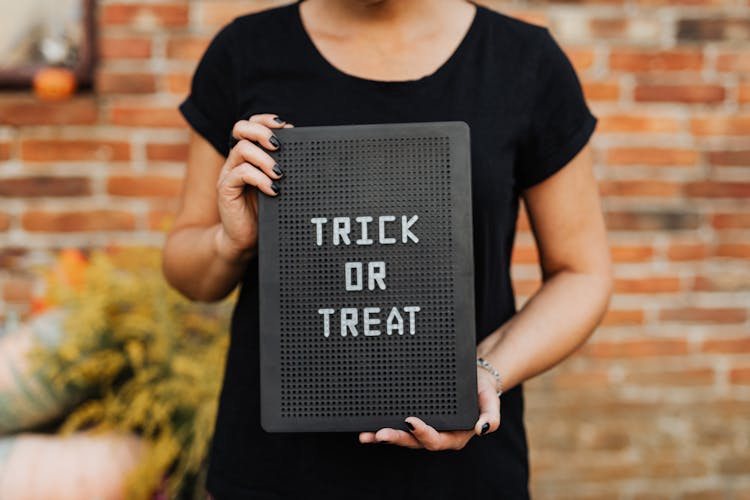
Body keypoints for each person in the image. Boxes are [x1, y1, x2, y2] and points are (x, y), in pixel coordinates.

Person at [163, 0, 613, 498]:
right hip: (275, 473)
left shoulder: (523, 61)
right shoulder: (245, 52)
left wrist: (484, 371)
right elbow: (187, 271)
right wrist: (233, 242)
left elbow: (582, 273)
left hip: (463, 476)